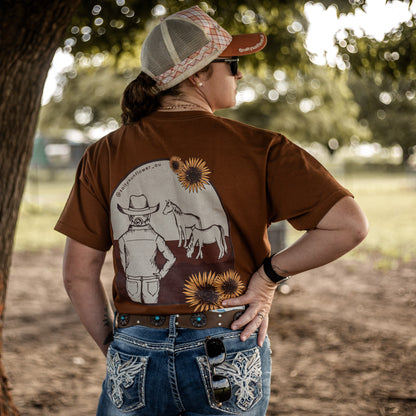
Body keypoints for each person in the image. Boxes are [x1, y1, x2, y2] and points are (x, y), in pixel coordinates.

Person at [55, 6, 368, 416]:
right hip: (229, 343)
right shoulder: (262, 147)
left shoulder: (104, 153)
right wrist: (268, 278)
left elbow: (78, 274)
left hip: (134, 344)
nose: (239, 74)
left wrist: (117, 349)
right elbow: (349, 226)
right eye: (232, 64)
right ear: (199, 74)